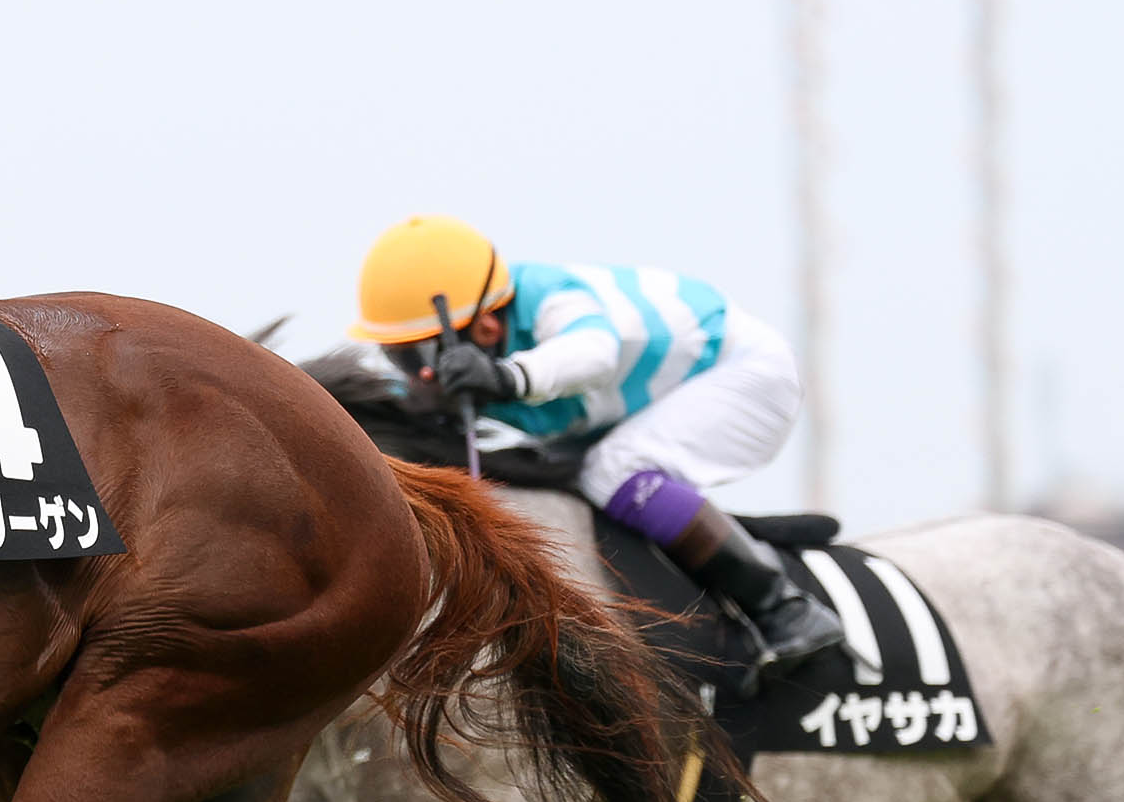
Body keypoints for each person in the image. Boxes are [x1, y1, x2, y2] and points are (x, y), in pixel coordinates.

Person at [351, 214, 846, 673]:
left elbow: (594, 354)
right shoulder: (467, 343)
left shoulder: (553, 297)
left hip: (743, 375)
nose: (414, 374)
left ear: (486, 327)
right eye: (397, 356)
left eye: (417, 355)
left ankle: (784, 607)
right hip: (642, 406)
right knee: (566, 479)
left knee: (612, 471)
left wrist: (506, 377)